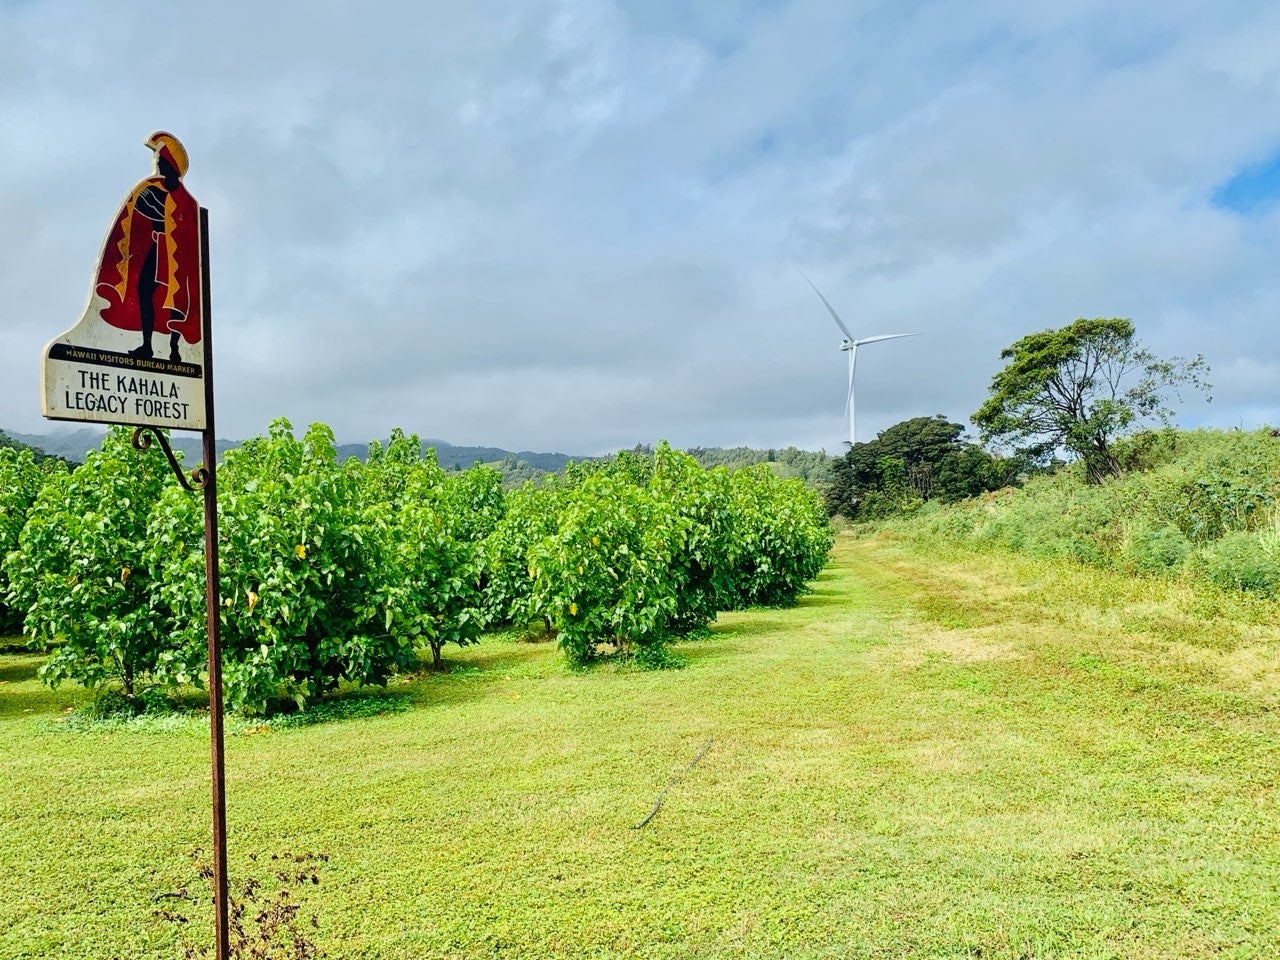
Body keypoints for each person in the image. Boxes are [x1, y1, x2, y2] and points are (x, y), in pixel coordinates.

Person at [95, 131, 201, 361]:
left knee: (177, 298)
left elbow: (185, 227)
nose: (159, 165)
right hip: (158, 248)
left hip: (177, 255)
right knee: (145, 292)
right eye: (159, 161)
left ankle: (174, 347)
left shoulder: (185, 200)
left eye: (162, 161)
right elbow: (139, 211)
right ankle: (148, 345)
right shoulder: (151, 189)